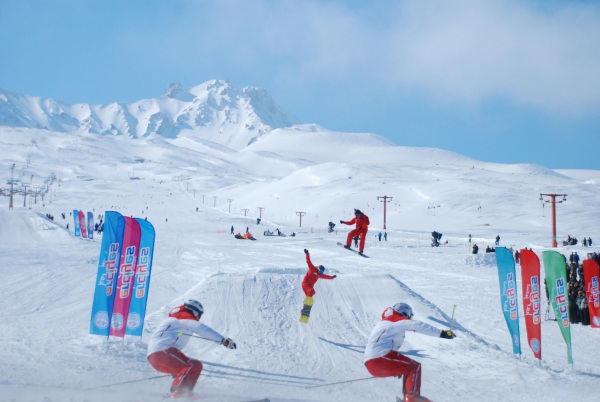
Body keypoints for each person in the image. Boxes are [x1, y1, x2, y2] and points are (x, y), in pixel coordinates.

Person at [363, 303, 456, 402]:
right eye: (409, 316)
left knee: (408, 368)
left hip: (371, 362)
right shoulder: (395, 319)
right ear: (405, 313)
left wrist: (396, 366)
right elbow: (417, 325)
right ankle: (412, 397)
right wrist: (441, 333)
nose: (409, 319)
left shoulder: (385, 322)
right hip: (381, 357)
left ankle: (407, 398)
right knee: (414, 367)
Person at [147, 300, 237, 400]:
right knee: (193, 365)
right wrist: (223, 340)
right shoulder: (183, 317)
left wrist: (180, 373)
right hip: (164, 352)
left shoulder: (174, 320)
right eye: (199, 314)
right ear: (194, 311)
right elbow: (200, 328)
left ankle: (182, 393)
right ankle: (180, 393)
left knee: (192, 366)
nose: (198, 317)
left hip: (155, 356)